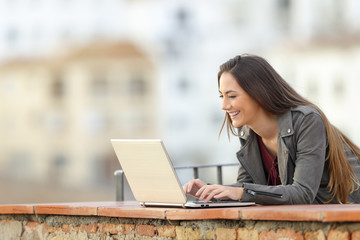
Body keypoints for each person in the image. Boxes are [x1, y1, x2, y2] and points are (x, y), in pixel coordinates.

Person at [183, 54, 360, 204]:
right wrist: (210, 192)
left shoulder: (306, 121)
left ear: (258, 93)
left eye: (232, 96)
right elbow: (247, 186)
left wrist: (242, 192)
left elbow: (303, 193)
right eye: (222, 96)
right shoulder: (249, 132)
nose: (223, 105)